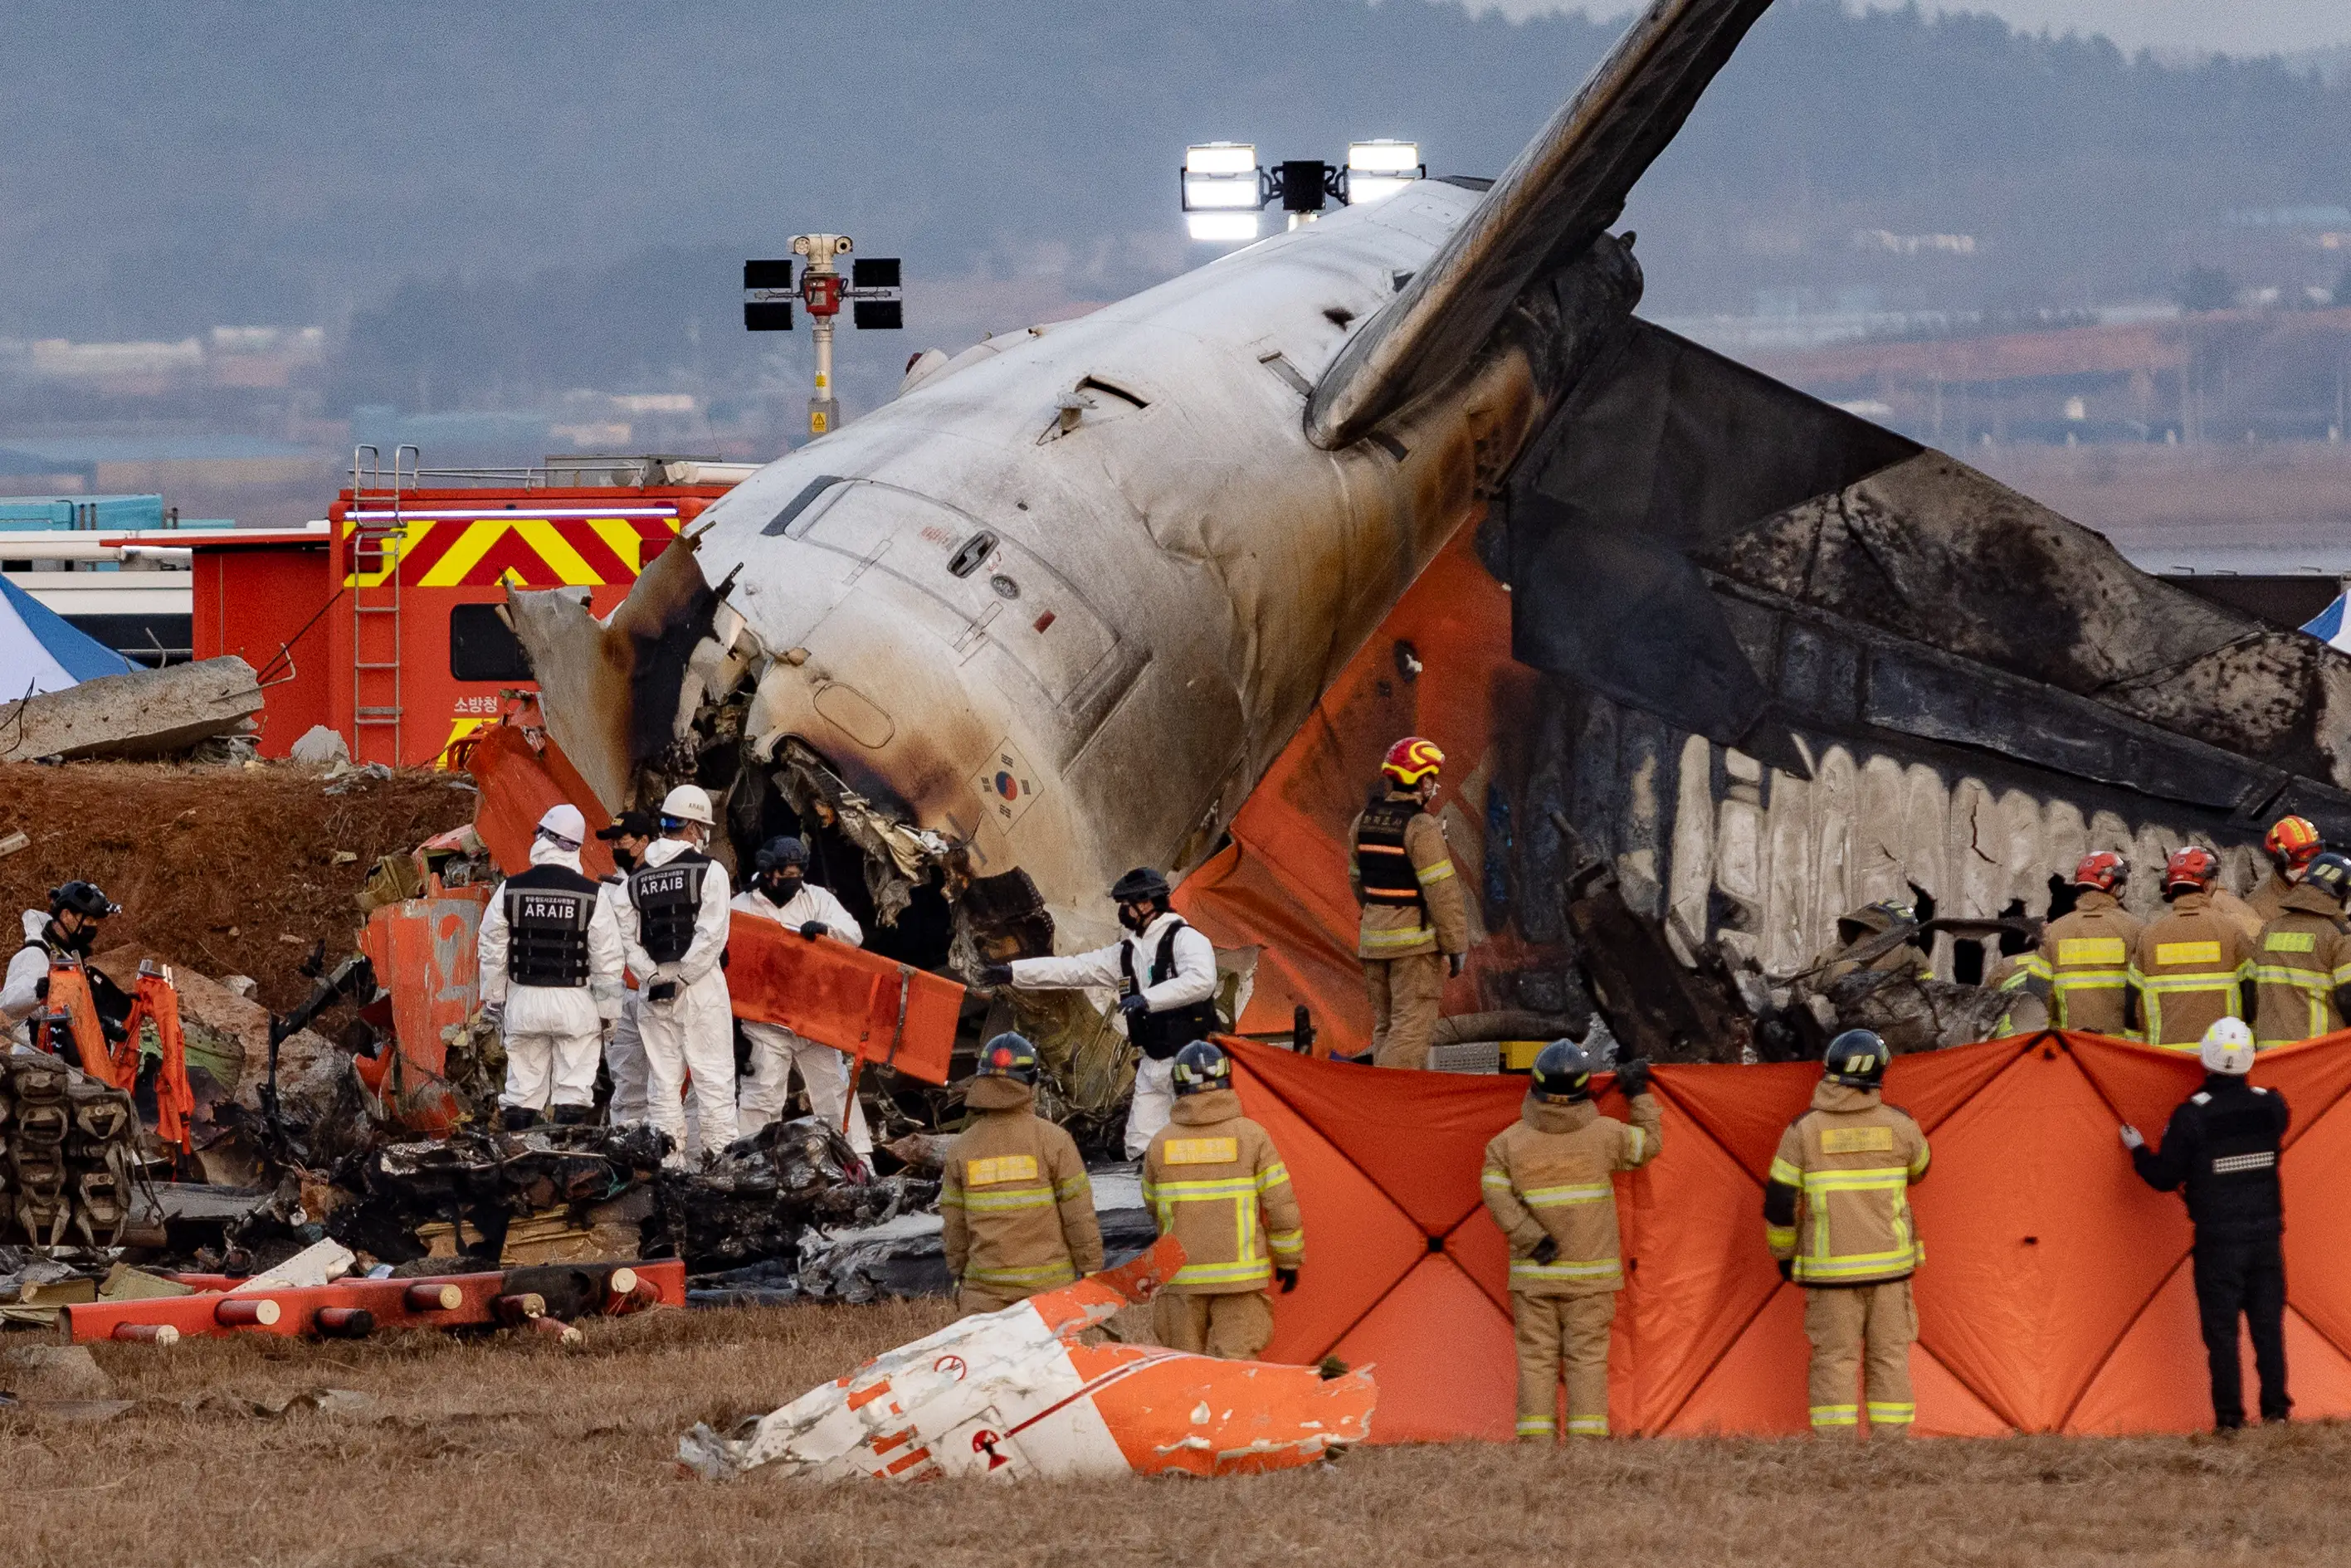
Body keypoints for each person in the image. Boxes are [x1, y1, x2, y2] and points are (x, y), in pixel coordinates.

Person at [1480, 1040, 1661, 1441]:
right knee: (1587, 1361)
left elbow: (1494, 1193)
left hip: (1534, 1276)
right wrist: (1638, 1094)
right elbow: (1650, 1144)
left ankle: (1536, 1450)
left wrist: (1531, 1239)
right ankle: (1586, 1450)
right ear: (1585, 1089)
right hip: (1591, 1280)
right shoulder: (1607, 1135)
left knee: (1536, 1360)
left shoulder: (1506, 1144)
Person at [2120, 1017, 2290, 1431]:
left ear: (2206, 1057)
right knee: (2268, 1329)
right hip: (2267, 1239)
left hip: (2219, 1242)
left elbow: (2164, 1177)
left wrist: (2138, 1149)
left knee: (2222, 1334)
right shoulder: (2272, 1106)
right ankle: (2277, 1414)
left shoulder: (2191, 1116)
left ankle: (2230, 1421)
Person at [980, 867, 1217, 1159]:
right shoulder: (1127, 952)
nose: (1122, 912)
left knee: (1198, 1137)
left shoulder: (1185, 939)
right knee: (1139, 1144)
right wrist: (1013, 972)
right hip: (1152, 1060)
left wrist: (1148, 999)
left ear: (1145, 905)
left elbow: (1202, 981)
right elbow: (1073, 970)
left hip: (1189, 1061)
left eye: (1125, 906)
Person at [1764, 1029, 1930, 1439]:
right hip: (1891, 1271)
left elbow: (1779, 1206)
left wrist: (1785, 1258)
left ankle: (1835, 1454)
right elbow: (1921, 1170)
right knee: (1889, 1357)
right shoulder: (1901, 1125)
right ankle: (1891, 1449)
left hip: (1829, 1273)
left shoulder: (1803, 1131)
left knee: (1834, 1360)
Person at [1140, 1040, 1303, 1360]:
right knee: (1240, 1370)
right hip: (1240, 1279)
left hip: (1182, 1278)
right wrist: (1288, 1260)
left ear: (1178, 1086)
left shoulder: (1161, 1143)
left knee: (1185, 1372)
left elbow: (1152, 1207)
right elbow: (1281, 1205)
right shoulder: (1252, 1136)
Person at [476, 805, 626, 1129]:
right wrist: (610, 1013)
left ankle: (518, 1162)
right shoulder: (592, 895)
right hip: (576, 1006)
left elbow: (491, 947)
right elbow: (608, 960)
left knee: (522, 1090)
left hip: (524, 1001)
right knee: (573, 1090)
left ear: (543, 837)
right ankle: (566, 1164)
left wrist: (493, 998)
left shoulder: (510, 890)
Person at [938, 1032, 1102, 1314]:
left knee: (988, 1360)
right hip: (1050, 1292)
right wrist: (1090, 1268)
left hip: (984, 1294)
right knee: (1053, 1360)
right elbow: (1078, 1215)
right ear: (1031, 1081)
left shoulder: (961, 1148)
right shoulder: (1054, 1140)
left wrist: (958, 1271)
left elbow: (954, 1224)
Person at [617, 784, 735, 1164]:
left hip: (653, 990)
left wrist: (651, 976)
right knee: (713, 1079)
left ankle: (670, 1167)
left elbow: (626, 938)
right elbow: (712, 933)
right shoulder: (710, 871)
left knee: (663, 1083)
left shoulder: (634, 880)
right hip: (699, 987)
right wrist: (684, 977)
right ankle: (721, 1164)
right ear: (693, 828)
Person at [731, 835, 871, 1152]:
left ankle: (858, 1162)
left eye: (798, 873)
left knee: (834, 1092)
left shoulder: (818, 899)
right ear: (769, 872)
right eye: (786, 873)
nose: (792, 880)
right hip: (766, 1021)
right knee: (761, 1096)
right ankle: (748, 1162)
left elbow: (854, 933)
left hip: (815, 1016)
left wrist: (825, 931)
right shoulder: (740, 908)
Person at [1349, 736, 1470, 1068]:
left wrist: (1381, 915)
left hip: (1373, 943)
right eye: (1433, 778)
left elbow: (1357, 881)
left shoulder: (1363, 822)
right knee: (1409, 1032)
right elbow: (1442, 893)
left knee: (1386, 1027)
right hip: (1414, 952)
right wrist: (1456, 945)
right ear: (1424, 780)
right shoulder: (1421, 827)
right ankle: (1387, 1108)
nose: (1434, 786)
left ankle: (1379, 1100)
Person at [2128, 847, 2253, 1053]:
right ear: (2207, 884)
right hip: (2223, 1055)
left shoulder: (2149, 936)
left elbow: (2132, 1000)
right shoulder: (2232, 932)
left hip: (2166, 1058)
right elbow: (2251, 995)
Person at [2011, 852, 2144, 1038]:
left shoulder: (2054, 932)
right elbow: (2141, 1000)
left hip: (2073, 1051)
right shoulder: (2136, 930)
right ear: (2114, 887)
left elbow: (2037, 997)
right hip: (2120, 1052)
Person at [593, 809, 659, 1125]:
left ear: (644, 841)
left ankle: (674, 1161)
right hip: (621, 995)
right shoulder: (607, 887)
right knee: (627, 1082)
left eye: (621, 840)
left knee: (666, 1082)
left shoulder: (665, 880)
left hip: (660, 992)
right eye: (611, 841)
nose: (614, 847)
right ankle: (627, 1159)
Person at [2249, 850, 2351, 1049]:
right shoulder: (2338, 937)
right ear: (2341, 896)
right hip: (2316, 1055)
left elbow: (2250, 994)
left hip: (2269, 1055)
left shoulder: (2269, 931)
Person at [1, 881, 120, 1048]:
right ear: (66, 915)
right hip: (54, 1058)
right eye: (90, 919)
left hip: (82, 1052)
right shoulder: (36, 953)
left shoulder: (68, 952)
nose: (94, 927)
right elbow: (9, 1003)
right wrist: (36, 991)